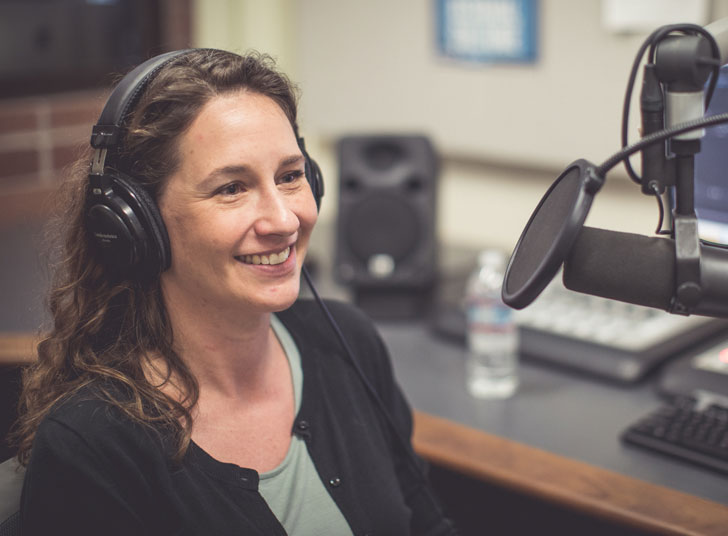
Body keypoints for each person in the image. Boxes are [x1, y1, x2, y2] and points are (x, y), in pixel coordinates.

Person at [10, 48, 457, 535]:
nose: (284, 220)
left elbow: (427, 524)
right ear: (135, 223)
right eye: (231, 188)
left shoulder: (348, 342)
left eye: (290, 176)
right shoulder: (92, 442)